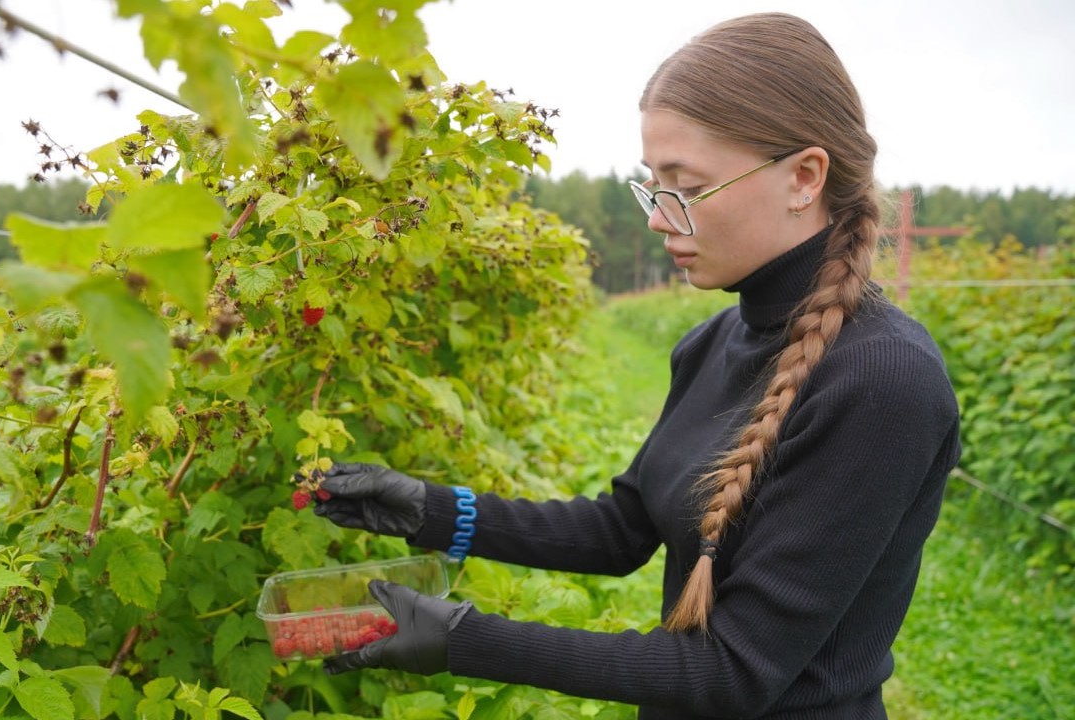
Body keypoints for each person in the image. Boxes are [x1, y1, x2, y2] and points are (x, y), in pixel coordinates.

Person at [311, 12, 962, 719]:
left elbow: (733, 673)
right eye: (653, 185)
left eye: (685, 187)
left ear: (804, 177)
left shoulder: (883, 381)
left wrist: (462, 639)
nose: (657, 219)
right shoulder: (716, 340)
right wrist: (430, 511)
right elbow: (622, 531)